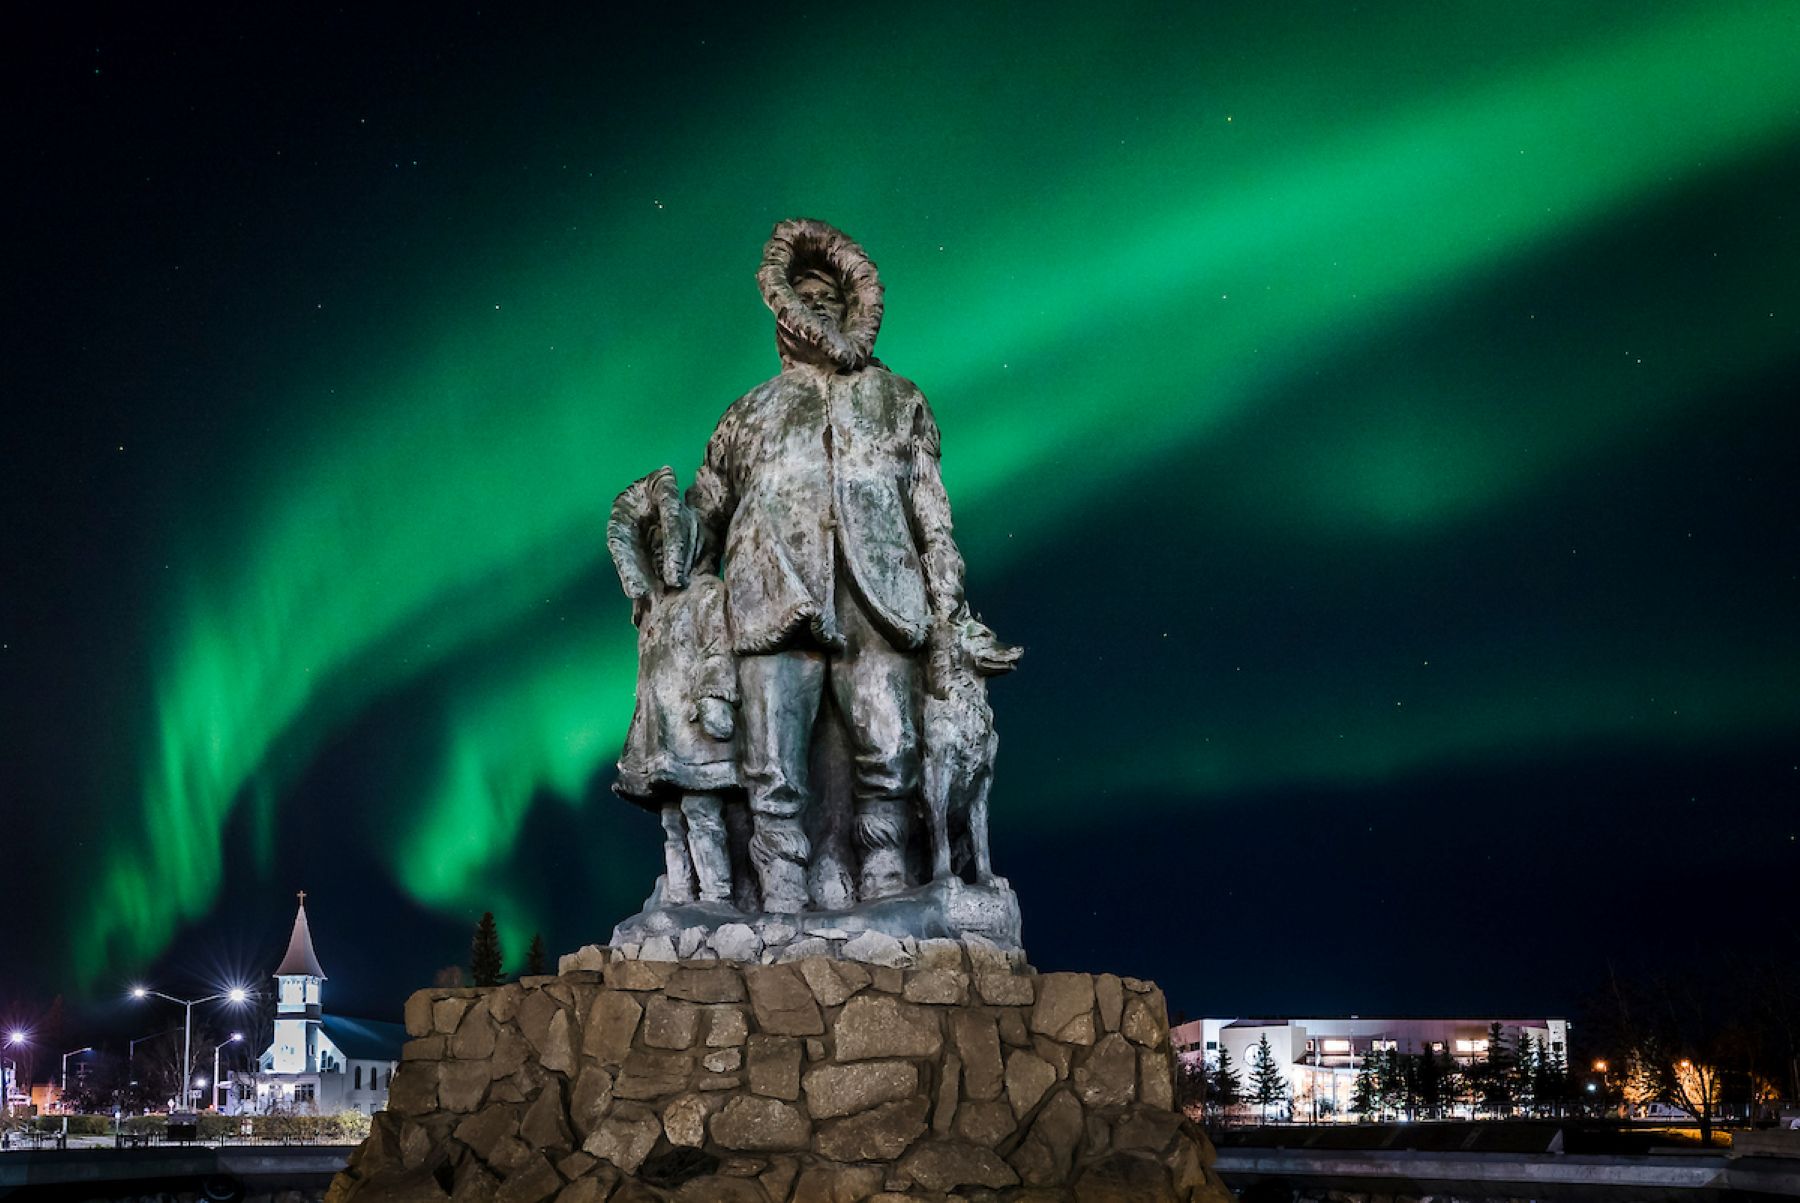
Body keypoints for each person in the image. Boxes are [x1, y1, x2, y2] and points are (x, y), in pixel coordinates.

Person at [686, 219, 979, 912]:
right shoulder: (747, 413)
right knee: (772, 752)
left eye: (830, 294)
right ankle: (781, 876)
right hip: (772, 594)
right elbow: (706, 514)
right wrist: (679, 594)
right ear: (783, 308)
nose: (817, 304)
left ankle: (884, 871)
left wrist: (944, 609)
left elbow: (932, 512)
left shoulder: (899, 398)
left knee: (892, 742)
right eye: (805, 293)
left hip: (882, 596)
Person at [608, 466, 740, 905]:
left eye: (670, 542)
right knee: (671, 820)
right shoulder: (651, 613)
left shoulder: (707, 595)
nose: (664, 551)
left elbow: (718, 649)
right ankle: (683, 894)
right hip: (660, 733)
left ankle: (717, 896)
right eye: (656, 546)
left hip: (694, 729)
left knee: (703, 812)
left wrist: (715, 697)